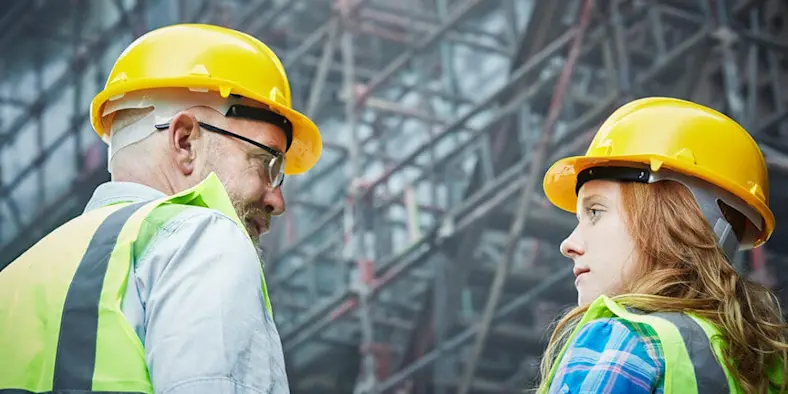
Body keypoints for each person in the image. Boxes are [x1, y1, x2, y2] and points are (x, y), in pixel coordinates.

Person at [0, 23, 321, 394]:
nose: (276, 201)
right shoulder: (200, 237)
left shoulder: (17, 281)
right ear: (185, 142)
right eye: (267, 163)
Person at [536, 97, 787, 393]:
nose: (568, 244)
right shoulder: (762, 369)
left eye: (595, 212)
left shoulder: (624, 339)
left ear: (676, 220)